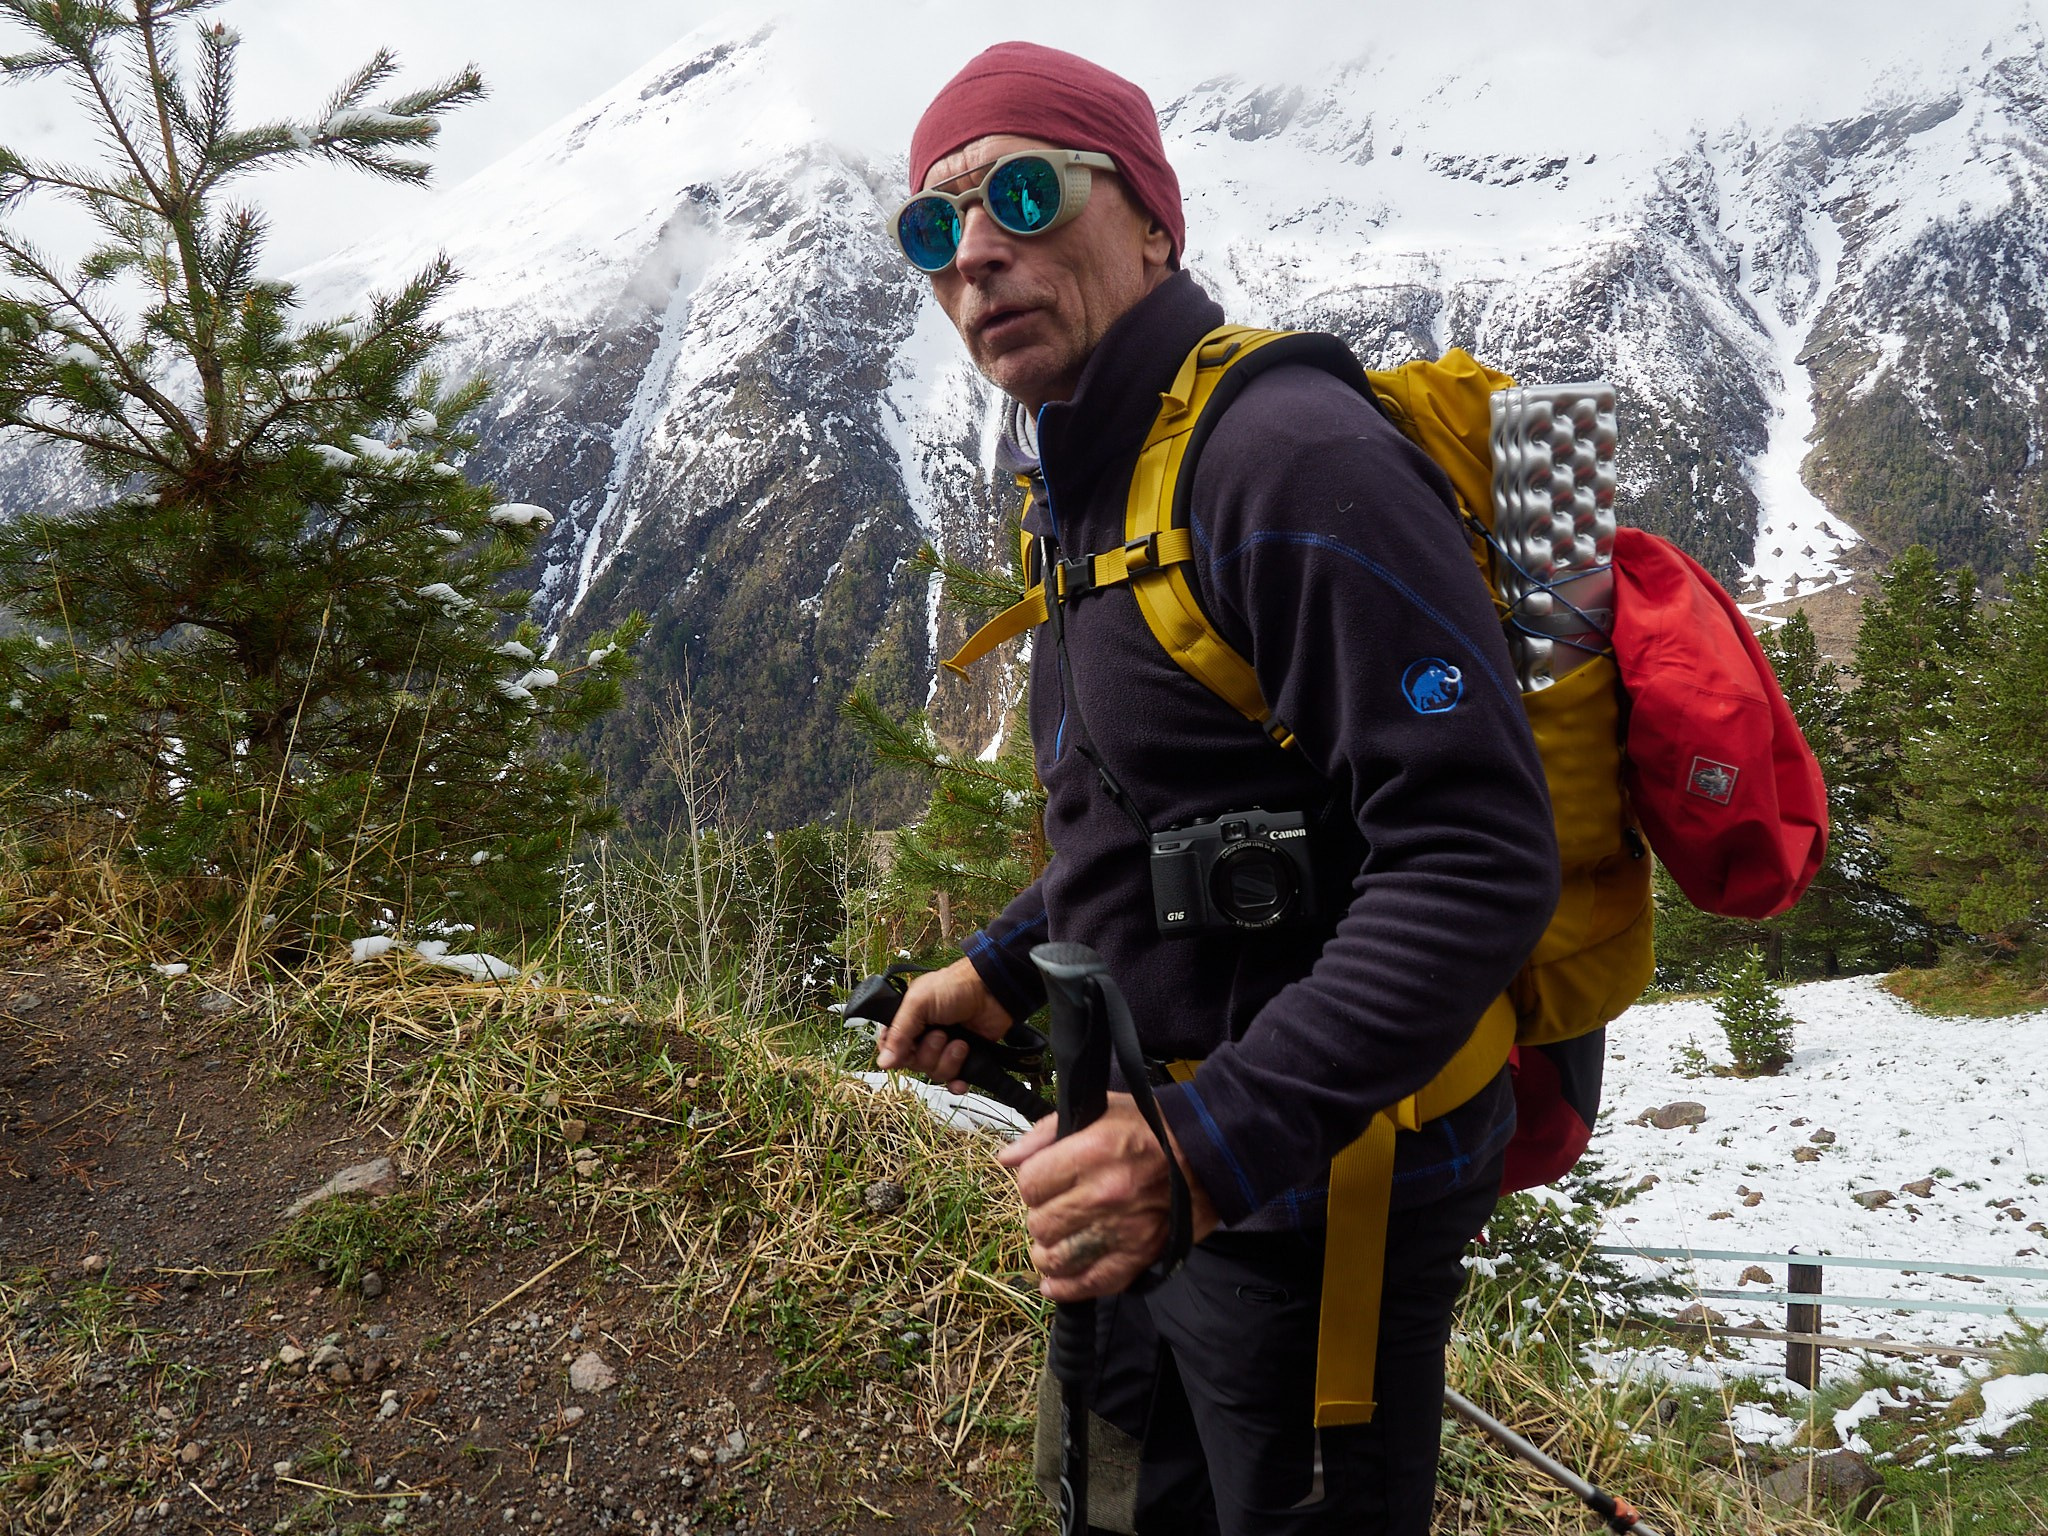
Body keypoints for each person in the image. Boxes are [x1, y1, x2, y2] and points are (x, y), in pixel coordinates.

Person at [874, 41, 1560, 1536]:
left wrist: (1203, 1151)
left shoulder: (1289, 460)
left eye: (1025, 195)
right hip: (1160, 1158)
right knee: (1130, 1505)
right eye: (934, 228)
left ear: (1154, 224)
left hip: (1320, 1196)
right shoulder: (1102, 466)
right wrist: (998, 965)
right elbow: (1165, 801)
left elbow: (1478, 858)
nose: (977, 253)